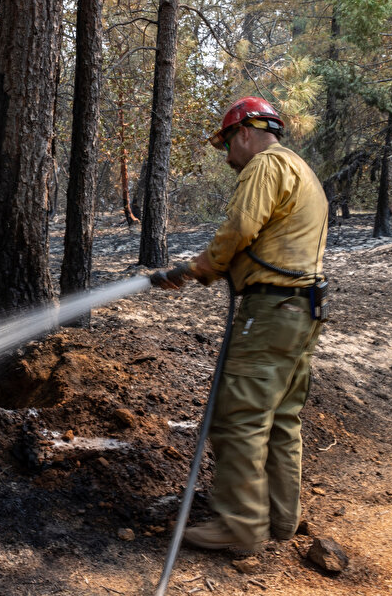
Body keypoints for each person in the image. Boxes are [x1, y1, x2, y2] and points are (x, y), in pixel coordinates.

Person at [152, 96, 328, 551]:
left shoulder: (265, 165)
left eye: (228, 144)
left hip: (271, 312)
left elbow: (240, 228)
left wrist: (200, 268)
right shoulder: (301, 170)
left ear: (245, 132)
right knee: (282, 419)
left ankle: (240, 527)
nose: (229, 158)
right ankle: (280, 520)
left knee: (237, 418)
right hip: (302, 312)